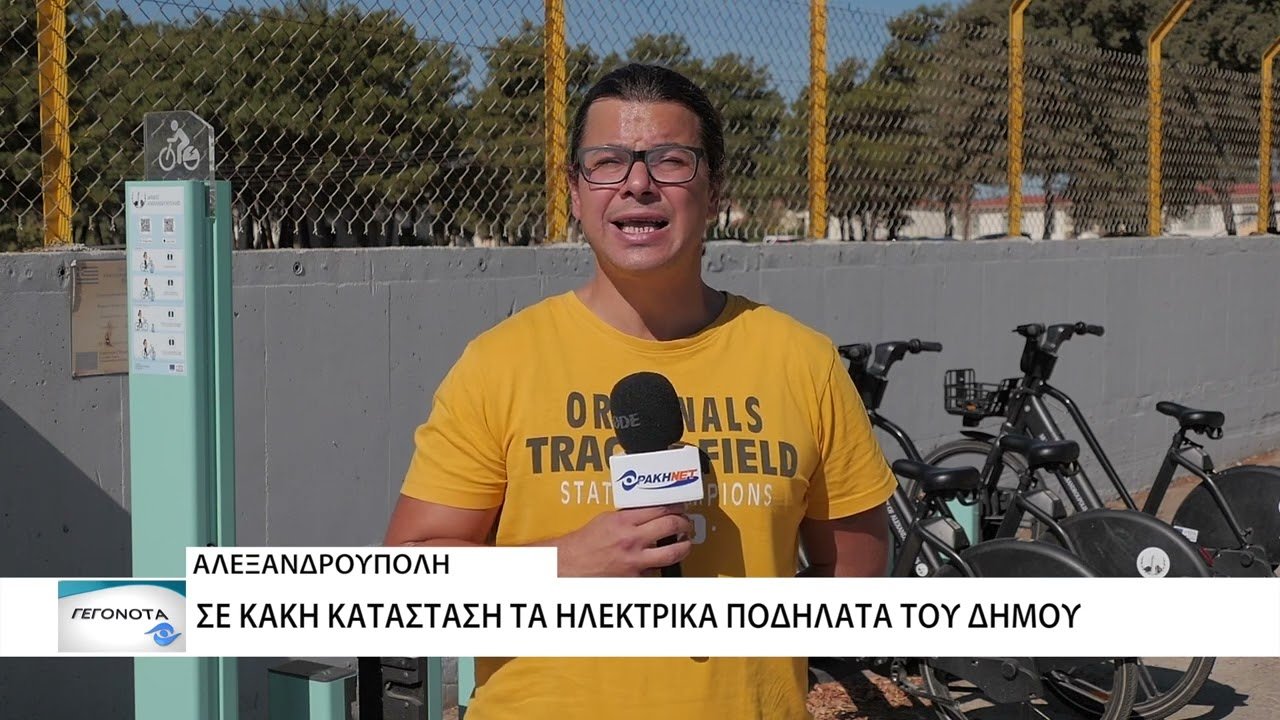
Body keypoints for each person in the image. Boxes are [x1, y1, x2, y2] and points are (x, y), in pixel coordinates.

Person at [384, 63, 896, 720]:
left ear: (714, 191)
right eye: (608, 162)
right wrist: (566, 562)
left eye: (670, 160)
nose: (637, 183)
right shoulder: (500, 363)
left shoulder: (803, 361)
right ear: (575, 192)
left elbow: (853, 571)